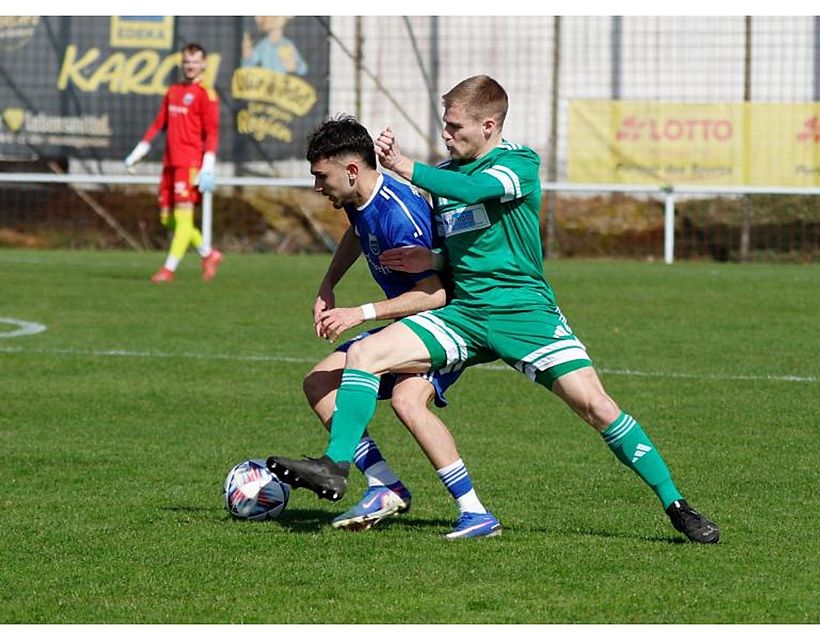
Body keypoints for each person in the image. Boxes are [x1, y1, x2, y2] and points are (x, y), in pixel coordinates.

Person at [294, 75, 721, 544]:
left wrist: (402, 165)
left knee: (597, 407)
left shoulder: (518, 164)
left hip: (524, 315)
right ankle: (337, 465)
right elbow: (458, 244)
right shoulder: (445, 175)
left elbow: (476, 193)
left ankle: (676, 504)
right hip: (465, 314)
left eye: (455, 126)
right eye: (444, 124)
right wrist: (432, 260)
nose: (446, 134)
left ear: (489, 126)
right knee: (364, 355)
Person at [266, 115, 500, 539]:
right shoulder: (359, 198)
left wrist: (361, 312)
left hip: (446, 322)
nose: (317, 186)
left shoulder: (398, 214)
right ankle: (384, 485)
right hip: (408, 323)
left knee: (409, 401)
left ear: (352, 170)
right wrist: (328, 283)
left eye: (322, 176)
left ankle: (474, 512)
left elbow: (435, 294)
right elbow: (358, 232)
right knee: (319, 382)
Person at [124, 42, 223, 284]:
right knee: (167, 219)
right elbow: (159, 123)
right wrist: (140, 149)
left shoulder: (206, 94)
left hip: (189, 165)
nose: (190, 66)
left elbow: (212, 133)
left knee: (183, 220)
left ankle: (168, 269)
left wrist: (208, 165)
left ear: (203, 64)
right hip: (169, 163)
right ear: (182, 63)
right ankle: (208, 254)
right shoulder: (174, 91)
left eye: (195, 62)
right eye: (187, 62)